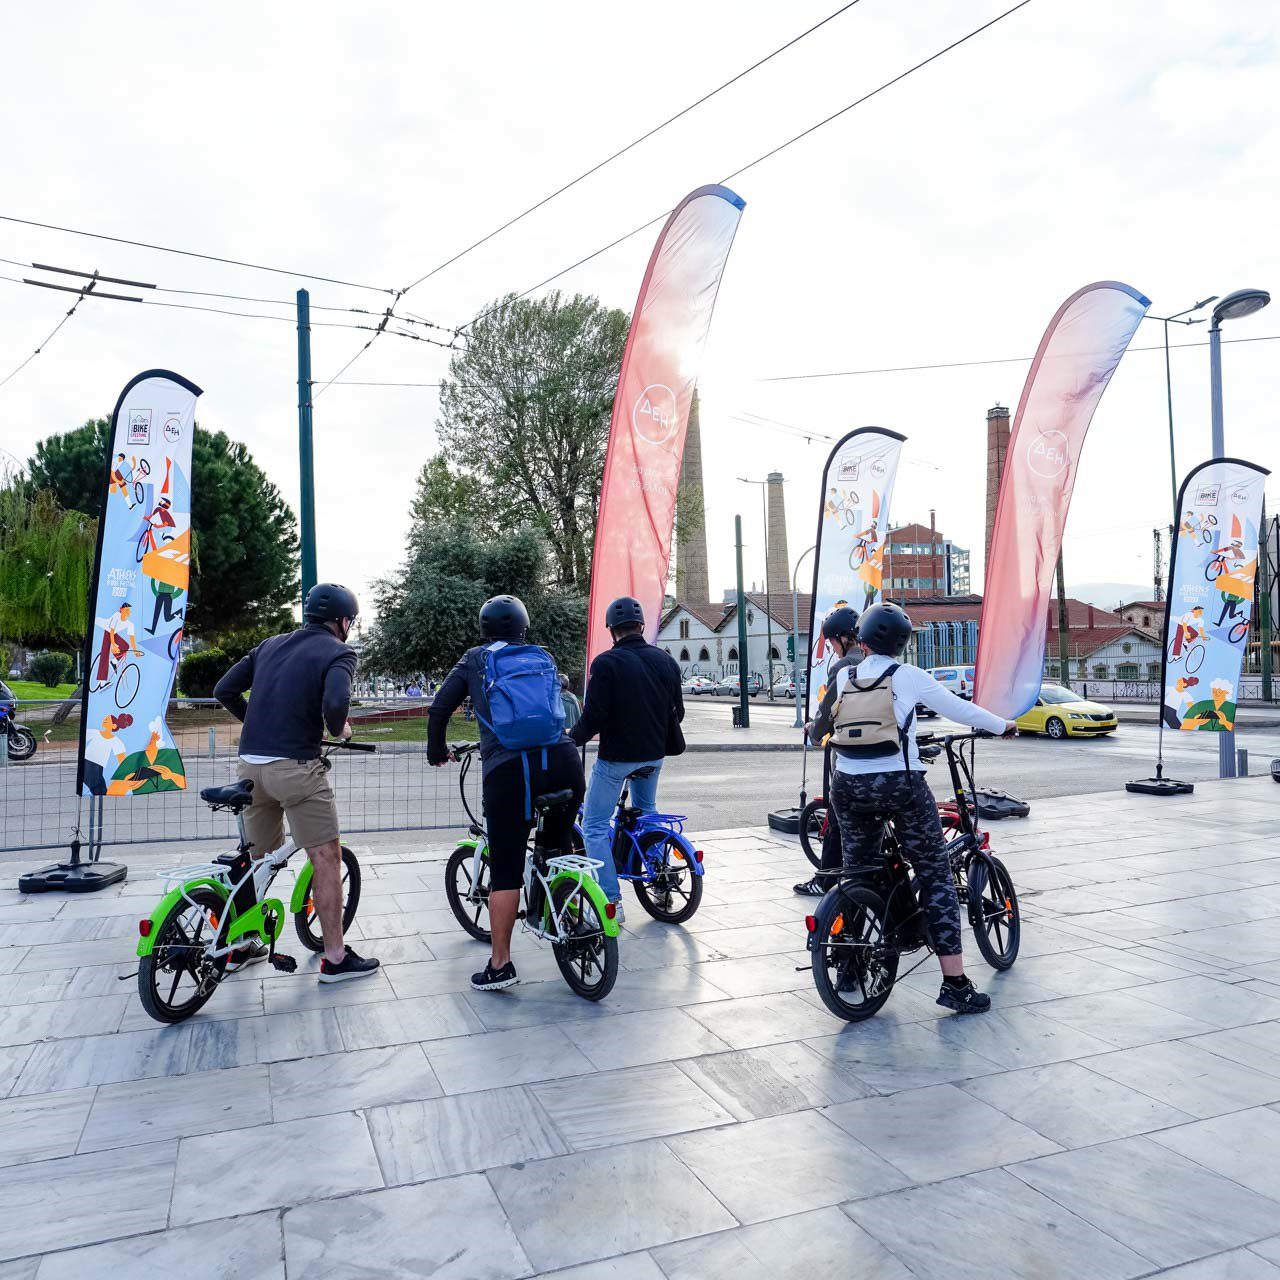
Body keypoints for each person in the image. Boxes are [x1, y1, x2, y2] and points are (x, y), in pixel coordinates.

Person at [806, 601, 1016, 1015]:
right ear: (901, 644)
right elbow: (962, 710)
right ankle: (955, 984)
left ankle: (849, 965)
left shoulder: (844, 676)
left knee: (858, 872)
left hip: (847, 787)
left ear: (861, 639)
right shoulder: (910, 676)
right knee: (936, 873)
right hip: (900, 786)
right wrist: (1003, 724)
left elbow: (818, 733)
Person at [214, 583, 377, 983]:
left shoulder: (269, 645)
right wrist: (340, 731)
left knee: (257, 860)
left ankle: (242, 942)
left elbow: (224, 689)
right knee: (324, 857)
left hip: (250, 767)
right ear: (342, 622)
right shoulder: (339, 652)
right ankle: (335, 958)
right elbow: (336, 705)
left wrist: (257, 721)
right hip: (296, 768)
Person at [428, 595, 585, 991]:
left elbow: (439, 708)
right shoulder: (542, 657)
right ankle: (568, 917)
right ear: (523, 626)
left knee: (506, 870)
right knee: (557, 845)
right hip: (564, 761)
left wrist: (435, 751)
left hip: (510, 768)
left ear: (484, 628)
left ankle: (500, 965)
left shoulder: (475, 659)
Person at [570, 597, 684, 920]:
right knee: (647, 813)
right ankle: (662, 878)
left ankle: (611, 902)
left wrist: (569, 740)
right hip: (654, 755)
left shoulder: (606, 664)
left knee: (592, 826)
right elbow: (679, 711)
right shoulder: (666, 661)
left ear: (611, 630)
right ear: (641, 627)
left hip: (616, 759)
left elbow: (592, 719)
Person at [794, 604, 860, 897]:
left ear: (843, 639)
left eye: (832, 642)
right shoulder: (882, 661)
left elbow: (827, 711)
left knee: (835, 818)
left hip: (850, 758)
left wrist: (814, 730)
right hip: (890, 758)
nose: (832, 648)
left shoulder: (843, 667)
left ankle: (825, 880)